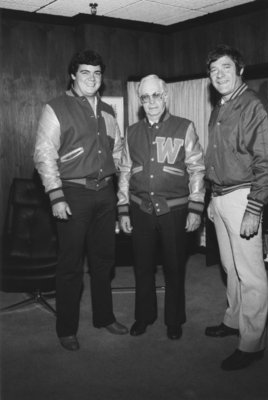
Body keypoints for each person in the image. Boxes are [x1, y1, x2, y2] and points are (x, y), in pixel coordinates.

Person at [34, 49, 128, 351]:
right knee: (70, 265)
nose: (92, 78)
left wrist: (116, 187)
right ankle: (67, 329)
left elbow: (117, 150)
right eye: (85, 72)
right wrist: (56, 195)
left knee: (104, 261)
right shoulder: (55, 107)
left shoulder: (108, 111)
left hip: (105, 193)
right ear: (73, 75)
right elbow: (44, 154)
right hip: (72, 193)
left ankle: (104, 317)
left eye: (97, 72)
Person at [204, 44, 268, 370]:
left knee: (250, 275)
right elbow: (220, 157)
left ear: (240, 70)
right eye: (213, 70)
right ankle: (233, 321)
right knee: (229, 267)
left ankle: (252, 344)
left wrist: (254, 208)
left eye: (225, 68)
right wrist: (212, 198)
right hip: (220, 196)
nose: (219, 75)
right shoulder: (220, 107)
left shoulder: (255, 107)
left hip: (243, 197)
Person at [117, 74, 205, 340]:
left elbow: (197, 168)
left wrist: (196, 206)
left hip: (175, 211)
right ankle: (144, 317)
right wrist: (122, 208)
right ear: (140, 100)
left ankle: (174, 320)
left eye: (156, 95)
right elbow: (124, 171)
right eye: (145, 97)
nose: (151, 101)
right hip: (140, 209)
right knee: (142, 266)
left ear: (165, 97)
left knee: (174, 266)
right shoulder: (131, 132)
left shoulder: (184, 127)